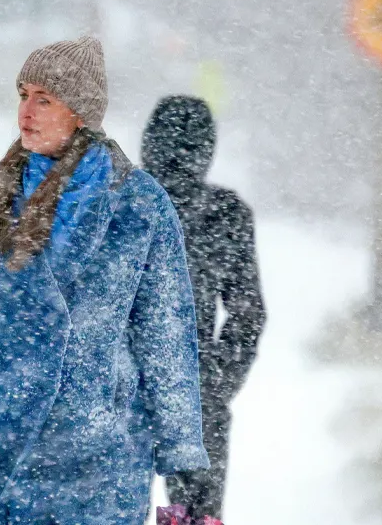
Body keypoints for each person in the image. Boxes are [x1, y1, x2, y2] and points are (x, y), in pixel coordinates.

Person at [0, 36, 211, 524]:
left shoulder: (139, 204)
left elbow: (165, 336)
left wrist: (183, 455)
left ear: (80, 113)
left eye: (44, 99)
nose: (26, 111)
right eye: (23, 95)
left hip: (99, 462)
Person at [141, 95, 266, 519]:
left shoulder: (119, 206)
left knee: (107, 508)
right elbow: (247, 313)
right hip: (189, 398)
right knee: (194, 515)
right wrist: (214, 381)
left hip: (123, 392)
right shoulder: (224, 215)